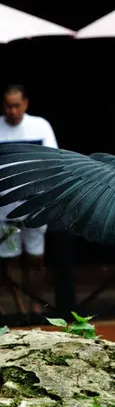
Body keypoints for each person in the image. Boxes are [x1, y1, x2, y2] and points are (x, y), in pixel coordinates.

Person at [0, 84, 58, 311]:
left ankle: (36, 305)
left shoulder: (40, 126)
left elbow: (54, 161)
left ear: (25, 103)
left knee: (36, 257)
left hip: (35, 204)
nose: (12, 111)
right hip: (4, 209)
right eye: (8, 106)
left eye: (16, 106)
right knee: (10, 257)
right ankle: (19, 308)